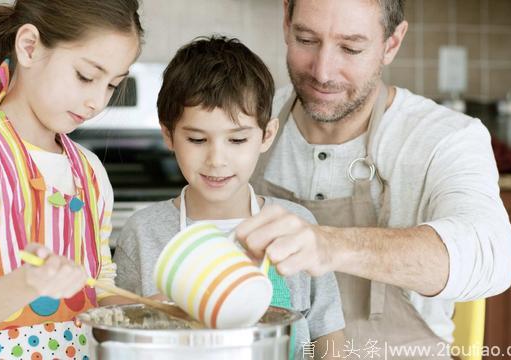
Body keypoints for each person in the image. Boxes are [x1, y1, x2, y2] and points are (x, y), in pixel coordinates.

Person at [234, 0, 511, 356]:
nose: (323, 71)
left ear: (392, 43)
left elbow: (490, 255)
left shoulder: (445, 137)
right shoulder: (247, 124)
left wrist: (331, 245)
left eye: (351, 48)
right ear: (286, 21)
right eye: (306, 39)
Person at [0, 1, 142, 358]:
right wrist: (28, 282)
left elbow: (98, 289)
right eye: (86, 76)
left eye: (112, 85)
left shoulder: (90, 170)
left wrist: (149, 311)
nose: (97, 102)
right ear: (29, 46)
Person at [113, 36, 345, 359]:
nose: (216, 160)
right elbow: (123, 338)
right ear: (168, 135)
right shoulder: (143, 232)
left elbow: (328, 337)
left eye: (236, 140)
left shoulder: (295, 227)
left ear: (266, 135)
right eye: (196, 139)